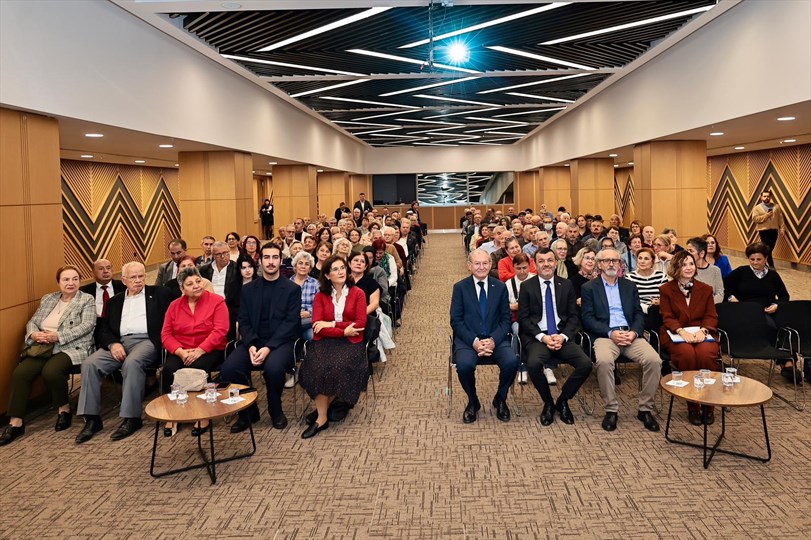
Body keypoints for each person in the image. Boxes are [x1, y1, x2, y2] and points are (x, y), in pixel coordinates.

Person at [76, 262, 172, 443]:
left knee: (132, 362)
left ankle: (132, 418)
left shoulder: (160, 294)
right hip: (120, 342)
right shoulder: (115, 301)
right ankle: (92, 419)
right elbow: (104, 330)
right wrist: (113, 344)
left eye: (141, 276)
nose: (138, 280)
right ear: (124, 280)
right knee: (90, 364)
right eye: (133, 277)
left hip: (147, 341)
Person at [0, 266, 95, 446]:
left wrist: (57, 336)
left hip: (71, 346)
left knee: (51, 371)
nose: (71, 283)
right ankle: (16, 423)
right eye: (66, 279)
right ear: (58, 282)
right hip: (43, 346)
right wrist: (34, 334)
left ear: (80, 281)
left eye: (75, 279)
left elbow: (87, 326)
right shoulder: (49, 298)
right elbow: (33, 321)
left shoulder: (86, 299)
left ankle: (64, 409)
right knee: (21, 373)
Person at [219, 243, 302, 433]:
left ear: (280, 261)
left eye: (275, 257)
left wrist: (268, 348)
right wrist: (251, 345)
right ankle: (248, 411)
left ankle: (275, 410)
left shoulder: (292, 289)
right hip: (253, 341)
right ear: (260, 261)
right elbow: (244, 321)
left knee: (273, 369)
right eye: (267, 257)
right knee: (229, 369)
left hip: (281, 342)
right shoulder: (248, 289)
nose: (271, 262)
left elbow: (290, 324)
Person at [581, 248, 662, 433]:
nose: (611, 264)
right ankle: (611, 410)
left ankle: (645, 409)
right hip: (605, 336)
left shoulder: (629, 286)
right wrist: (610, 333)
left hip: (630, 335)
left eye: (615, 260)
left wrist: (634, 332)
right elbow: (587, 318)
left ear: (620, 264)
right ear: (599, 264)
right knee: (604, 362)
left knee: (654, 361)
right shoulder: (589, 288)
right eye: (607, 260)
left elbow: (638, 314)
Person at [519, 249, 592, 426]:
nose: (546, 264)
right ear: (535, 265)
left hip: (562, 335)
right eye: (541, 261)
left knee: (586, 364)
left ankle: (563, 400)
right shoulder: (527, 286)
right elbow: (524, 319)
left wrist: (563, 336)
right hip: (538, 337)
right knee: (533, 364)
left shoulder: (566, 285)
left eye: (550, 260)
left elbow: (574, 316)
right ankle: (548, 403)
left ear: (555, 263)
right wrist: (543, 337)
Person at [299, 255, 368, 439]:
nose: (341, 272)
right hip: (325, 341)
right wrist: (343, 330)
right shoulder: (320, 296)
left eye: (342, 268)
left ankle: (320, 417)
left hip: (351, 343)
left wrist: (331, 325)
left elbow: (360, 325)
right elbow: (317, 326)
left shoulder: (358, 293)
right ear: (327, 275)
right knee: (317, 367)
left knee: (338, 367)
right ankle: (323, 414)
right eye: (335, 269)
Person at [449, 249, 518, 424]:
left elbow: (506, 319)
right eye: (477, 263)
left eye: (485, 263)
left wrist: (493, 340)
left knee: (511, 362)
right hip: (468, 340)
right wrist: (474, 342)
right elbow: (456, 321)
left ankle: (500, 398)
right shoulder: (460, 288)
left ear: (490, 264)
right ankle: (473, 401)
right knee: (464, 366)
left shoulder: (500, 287)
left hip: (496, 338)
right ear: (469, 266)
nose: (481, 267)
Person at [160, 266, 229, 436]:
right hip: (182, 350)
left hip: (211, 348)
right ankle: (173, 413)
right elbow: (166, 335)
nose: (196, 286)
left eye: (198, 281)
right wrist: (181, 352)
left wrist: (200, 350)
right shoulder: (174, 306)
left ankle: (202, 413)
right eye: (190, 284)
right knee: (168, 369)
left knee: (198, 367)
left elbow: (220, 330)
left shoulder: (217, 301)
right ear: (182, 289)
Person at [659, 251, 720, 425]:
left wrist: (704, 331)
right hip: (676, 333)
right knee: (687, 355)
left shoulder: (705, 289)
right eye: (683, 264)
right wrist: (681, 331)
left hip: (702, 332)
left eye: (691, 264)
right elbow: (667, 316)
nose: (688, 268)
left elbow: (711, 315)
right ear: (676, 267)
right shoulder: (666, 289)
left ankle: (708, 406)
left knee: (705, 356)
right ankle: (693, 406)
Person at [79, 258, 125, 346]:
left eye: (108, 268)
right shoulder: (84, 291)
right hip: (95, 326)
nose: (105, 271)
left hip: (118, 324)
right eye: (101, 269)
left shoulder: (123, 287)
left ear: (112, 270)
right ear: (92, 273)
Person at [505, 253, 535, 384]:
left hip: (535, 317)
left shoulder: (536, 279)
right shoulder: (509, 284)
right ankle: (521, 367)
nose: (522, 271)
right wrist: (516, 306)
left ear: (529, 266)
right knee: (517, 332)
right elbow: (504, 305)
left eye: (524, 268)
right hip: (517, 318)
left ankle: (547, 366)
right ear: (513, 268)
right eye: (518, 268)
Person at [626, 247, 666, 313]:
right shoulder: (630, 277)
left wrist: (659, 302)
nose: (642, 261)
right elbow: (629, 300)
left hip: (658, 310)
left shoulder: (661, 276)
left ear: (652, 261)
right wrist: (647, 308)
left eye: (646, 259)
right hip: (638, 311)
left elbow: (666, 298)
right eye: (640, 258)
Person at [751, 189, 784, 267]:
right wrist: (766, 216)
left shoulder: (776, 206)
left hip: (774, 230)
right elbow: (755, 219)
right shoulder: (757, 208)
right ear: (761, 197)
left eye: (768, 196)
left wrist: (782, 229)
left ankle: (762, 261)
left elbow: (780, 218)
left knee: (770, 248)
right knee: (767, 248)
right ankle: (771, 265)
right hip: (763, 230)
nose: (766, 198)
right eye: (764, 196)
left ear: (770, 197)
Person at [290, 250, 318, 342]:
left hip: (309, 320)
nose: (303, 266)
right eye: (300, 263)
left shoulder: (316, 284)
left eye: (307, 264)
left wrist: (309, 312)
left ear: (310, 268)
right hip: (292, 318)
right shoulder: (288, 283)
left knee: (312, 336)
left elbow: (320, 305)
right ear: (295, 266)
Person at [686, 237, 724, 303]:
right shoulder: (685, 270)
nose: (687, 254)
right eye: (687, 251)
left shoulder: (715, 270)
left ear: (702, 254)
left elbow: (720, 293)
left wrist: (707, 304)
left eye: (691, 251)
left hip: (711, 306)